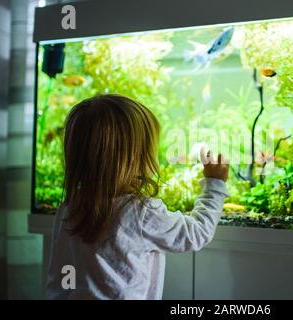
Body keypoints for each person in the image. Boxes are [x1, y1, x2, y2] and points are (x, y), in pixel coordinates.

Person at [45, 94, 229, 299]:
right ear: (134, 157)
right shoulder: (141, 212)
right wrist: (215, 184)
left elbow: (63, 269)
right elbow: (196, 233)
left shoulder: (69, 208)